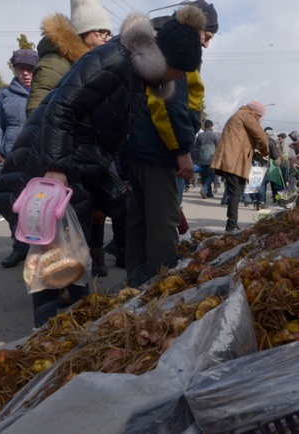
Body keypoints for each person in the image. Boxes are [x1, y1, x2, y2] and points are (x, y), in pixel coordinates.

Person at [0, 5, 206, 327]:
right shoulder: (113, 61)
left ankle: (78, 321)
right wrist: (57, 168)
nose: (181, 78)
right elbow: (61, 109)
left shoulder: (135, 71)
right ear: (163, 59)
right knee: (53, 250)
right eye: (180, 70)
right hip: (51, 160)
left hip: (80, 161)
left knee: (75, 246)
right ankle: (45, 328)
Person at [125, 0, 217, 279]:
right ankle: (159, 289)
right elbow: (168, 103)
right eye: (207, 36)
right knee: (163, 219)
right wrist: (181, 149)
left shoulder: (157, 35)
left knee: (139, 217)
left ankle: (135, 281)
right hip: (158, 147)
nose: (206, 45)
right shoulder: (177, 45)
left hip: (137, 144)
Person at [25, 0, 113, 277]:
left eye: (108, 33)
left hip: (84, 155)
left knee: (92, 212)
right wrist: (59, 156)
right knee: (62, 223)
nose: (106, 38)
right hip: (63, 157)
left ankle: (83, 266)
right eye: (100, 32)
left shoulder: (93, 63)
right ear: (83, 32)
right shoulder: (56, 62)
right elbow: (37, 111)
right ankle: (56, 284)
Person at [0, 48, 39, 229]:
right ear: (14, 70)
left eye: (30, 68)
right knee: (14, 202)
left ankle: (39, 245)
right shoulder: (5, 95)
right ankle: (18, 244)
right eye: (21, 68)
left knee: (38, 205)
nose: (25, 73)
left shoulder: (46, 92)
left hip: (40, 157)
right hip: (12, 158)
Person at [211, 101, 269, 232]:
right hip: (234, 160)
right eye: (260, 117)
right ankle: (231, 225)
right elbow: (262, 137)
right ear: (256, 113)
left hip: (230, 158)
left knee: (234, 192)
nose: (259, 119)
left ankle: (232, 224)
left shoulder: (239, 114)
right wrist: (265, 152)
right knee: (235, 193)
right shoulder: (248, 115)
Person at [196, 119, 220, 199]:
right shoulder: (214, 135)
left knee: (204, 176)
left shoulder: (200, 135)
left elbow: (196, 147)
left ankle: (208, 193)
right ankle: (204, 189)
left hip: (202, 159)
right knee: (212, 175)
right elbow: (219, 147)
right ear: (212, 126)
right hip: (211, 158)